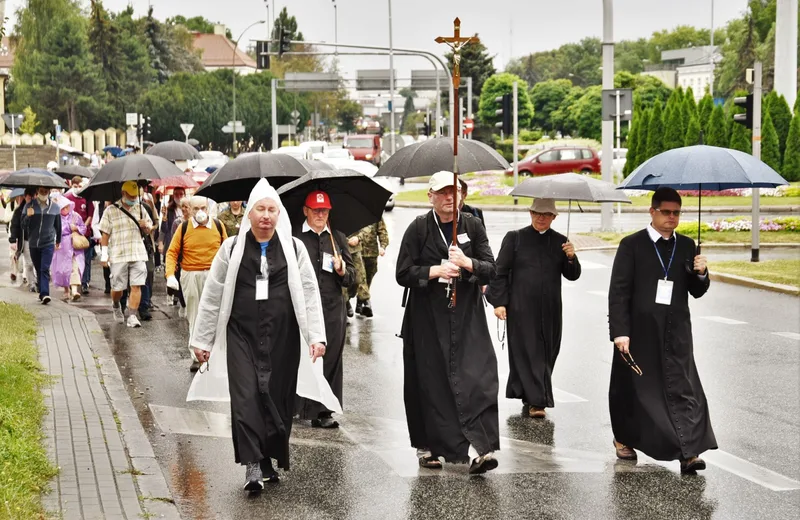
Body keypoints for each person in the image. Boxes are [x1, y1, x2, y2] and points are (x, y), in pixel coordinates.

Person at [186, 178, 340, 492]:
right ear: (250, 214)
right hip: (241, 336)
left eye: (272, 209)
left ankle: (268, 458)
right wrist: (201, 341)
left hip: (282, 339)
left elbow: (309, 294)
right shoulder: (231, 248)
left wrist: (316, 336)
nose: (266, 215)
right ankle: (252, 466)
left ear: (280, 214)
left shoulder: (294, 248)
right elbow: (213, 295)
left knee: (278, 400)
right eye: (260, 209)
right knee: (245, 399)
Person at [396, 171, 500, 474]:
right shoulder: (418, 229)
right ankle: (427, 446)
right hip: (427, 319)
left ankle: (483, 449)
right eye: (442, 193)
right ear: (430, 196)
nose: (449, 198)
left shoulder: (472, 225)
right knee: (429, 384)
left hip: (466, 317)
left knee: (479, 379)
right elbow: (403, 272)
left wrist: (468, 264)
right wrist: (434, 271)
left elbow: (491, 269)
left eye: (454, 192)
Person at [608, 187, 714, 474]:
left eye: (676, 213)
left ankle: (689, 453)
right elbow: (618, 292)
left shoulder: (688, 245)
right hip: (639, 333)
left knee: (683, 389)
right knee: (635, 392)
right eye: (666, 212)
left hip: (676, 331)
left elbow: (696, 290)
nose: (671, 217)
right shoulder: (632, 245)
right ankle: (624, 438)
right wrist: (620, 331)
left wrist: (702, 273)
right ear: (652, 211)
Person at [488, 199, 581, 419]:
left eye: (547, 214)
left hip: (550, 310)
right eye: (537, 213)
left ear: (554, 217)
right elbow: (499, 272)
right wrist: (499, 302)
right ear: (530, 213)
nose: (541, 218)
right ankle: (537, 402)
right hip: (521, 308)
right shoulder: (515, 238)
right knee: (527, 352)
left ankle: (527, 393)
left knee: (547, 353)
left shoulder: (561, 241)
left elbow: (573, 274)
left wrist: (571, 256)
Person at [294, 190, 355, 429]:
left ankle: (323, 410)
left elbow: (352, 278)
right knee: (300, 355)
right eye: (316, 210)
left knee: (329, 358)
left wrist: (342, 271)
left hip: (331, 308)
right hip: (302, 307)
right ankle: (296, 405)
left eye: (325, 211)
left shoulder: (337, 238)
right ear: (305, 211)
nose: (320, 214)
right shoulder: (294, 238)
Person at [166, 196, 227, 371]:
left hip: (214, 275)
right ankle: (196, 355)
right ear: (189, 210)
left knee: (216, 314)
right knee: (194, 314)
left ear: (208, 208)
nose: (200, 212)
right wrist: (170, 275)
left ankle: (214, 353)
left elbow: (227, 251)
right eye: (196, 209)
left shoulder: (218, 225)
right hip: (190, 274)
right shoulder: (183, 228)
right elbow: (172, 252)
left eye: (203, 208)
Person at [98, 181, 154, 328]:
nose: (134, 198)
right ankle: (116, 305)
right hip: (118, 254)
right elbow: (105, 234)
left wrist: (146, 227)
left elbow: (149, 230)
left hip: (137, 253)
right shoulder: (110, 210)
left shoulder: (141, 208)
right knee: (118, 288)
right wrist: (104, 255)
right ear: (123, 194)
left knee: (137, 285)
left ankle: (133, 316)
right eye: (131, 195)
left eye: (136, 195)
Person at [23, 187, 62, 304]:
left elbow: (58, 226)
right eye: (41, 191)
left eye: (46, 191)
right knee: (38, 268)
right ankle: (41, 291)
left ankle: (45, 293)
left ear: (49, 192)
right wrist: (28, 216)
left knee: (44, 268)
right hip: (34, 243)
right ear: (37, 192)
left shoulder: (55, 207)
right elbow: (23, 226)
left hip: (48, 243)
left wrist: (58, 240)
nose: (43, 193)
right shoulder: (29, 206)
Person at [52, 197, 87, 301]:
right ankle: (66, 291)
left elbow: (84, 228)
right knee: (63, 270)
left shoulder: (76, 216)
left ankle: (75, 290)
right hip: (62, 247)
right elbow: (55, 230)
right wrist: (68, 227)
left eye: (67, 207)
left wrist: (76, 228)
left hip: (75, 247)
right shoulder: (56, 217)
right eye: (63, 207)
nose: (65, 209)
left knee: (74, 267)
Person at [65, 176, 94, 295]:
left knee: (86, 259)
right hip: (71, 234)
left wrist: (84, 227)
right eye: (75, 186)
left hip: (84, 234)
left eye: (79, 186)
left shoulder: (87, 198)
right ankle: (72, 282)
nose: (77, 189)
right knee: (72, 260)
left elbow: (90, 215)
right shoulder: (67, 198)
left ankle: (85, 282)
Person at [354, 218, 389, 317]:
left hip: (371, 252)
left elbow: (382, 231)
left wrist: (383, 246)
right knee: (361, 277)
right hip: (357, 252)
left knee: (368, 277)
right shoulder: (353, 214)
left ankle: (360, 302)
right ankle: (366, 301)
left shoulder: (374, 215)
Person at [159, 187, 186, 264]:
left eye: (181, 194)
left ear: (184, 195)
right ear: (173, 195)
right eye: (176, 194)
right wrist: (164, 217)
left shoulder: (188, 209)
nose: (179, 196)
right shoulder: (169, 210)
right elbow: (164, 229)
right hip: (171, 242)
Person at [343, 231, 364, 318]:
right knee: (342, 278)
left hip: (355, 250)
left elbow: (365, 229)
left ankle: (348, 297)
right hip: (339, 248)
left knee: (357, 280)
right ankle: (345, 302)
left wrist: (358, 238)